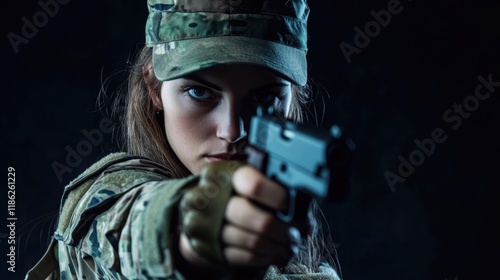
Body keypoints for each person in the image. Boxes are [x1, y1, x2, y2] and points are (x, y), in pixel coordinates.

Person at [25, 0, 342, 279]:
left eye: (266, 99)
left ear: (292, 99)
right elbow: (133, 225)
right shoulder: (106, 200)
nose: (232, 130)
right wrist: (197, 229)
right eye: (200, 92)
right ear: (154, 88)